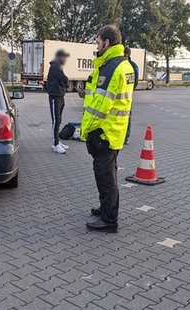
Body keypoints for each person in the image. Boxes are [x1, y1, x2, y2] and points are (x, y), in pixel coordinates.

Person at [78, 25, 135, 233]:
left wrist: (86, 131)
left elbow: (102, 106)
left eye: (97, 41)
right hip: (114, 131)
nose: (96, 44)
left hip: (104, 132)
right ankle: (105, 209)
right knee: (108, 174)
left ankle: (109, 221)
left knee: (106, 177)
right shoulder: (122, 65)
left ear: (106, 42)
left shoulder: (111, 68)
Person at [46, 49, 70, 154]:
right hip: (55, 97)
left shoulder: (58, 66)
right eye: (64, 57)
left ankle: (57, 142)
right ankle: (55, 144)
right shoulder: (55, 65)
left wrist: (65, 84)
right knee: (56, 121)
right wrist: (66, 83)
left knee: (58, 120)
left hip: (60, 95)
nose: (65, 59)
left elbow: (63, 81)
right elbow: (64, 79)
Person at [124, 47, 139, 145]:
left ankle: (126, 136)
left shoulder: (133, 66)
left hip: (127, 95)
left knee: (127, 114)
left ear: (127, 55)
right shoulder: (121, 65)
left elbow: (135, 82)